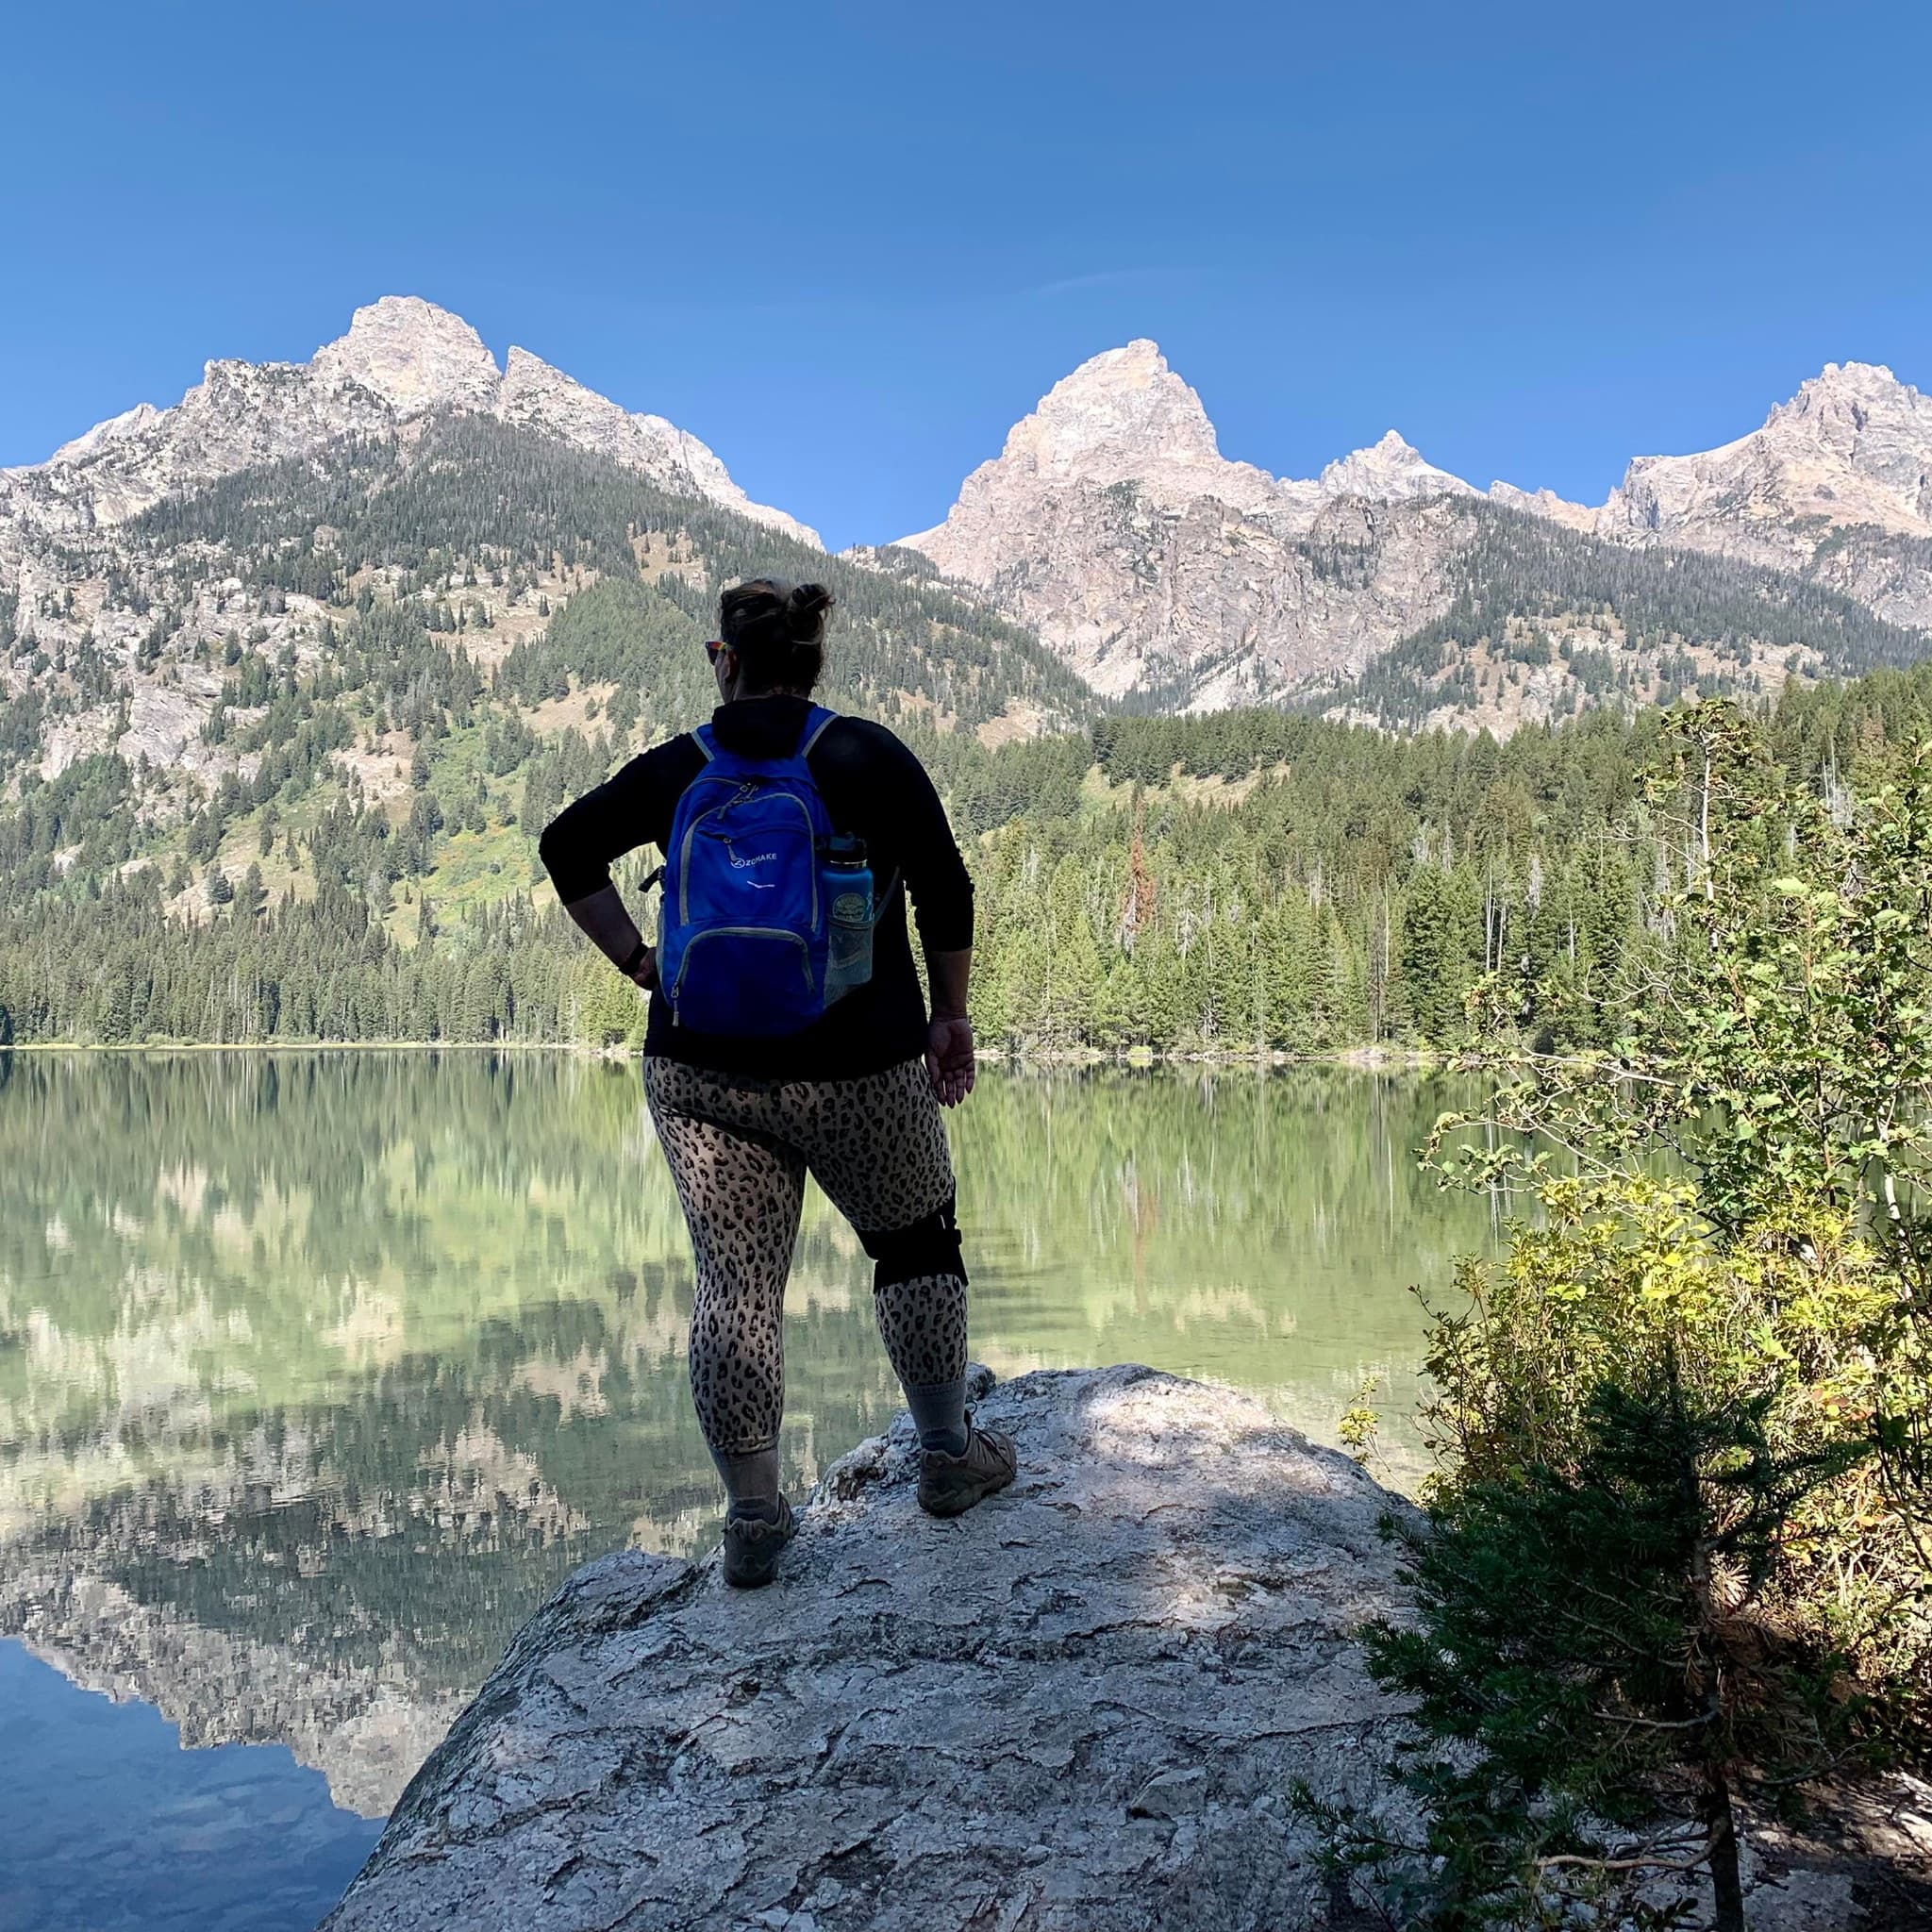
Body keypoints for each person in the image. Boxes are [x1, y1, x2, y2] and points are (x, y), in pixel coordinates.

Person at [539, 577, 1015, 1587]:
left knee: (734, 1283)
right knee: (914, 1242)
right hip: (859, 1063)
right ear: (810, 661)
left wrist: (641, 965)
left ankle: (753, 1517)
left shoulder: (682, 766)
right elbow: (946, 888)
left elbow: (564, 846)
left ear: (724, 659)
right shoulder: (864, 753)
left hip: (702, 1069)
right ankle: (944, 1457)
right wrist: (948, 1014)